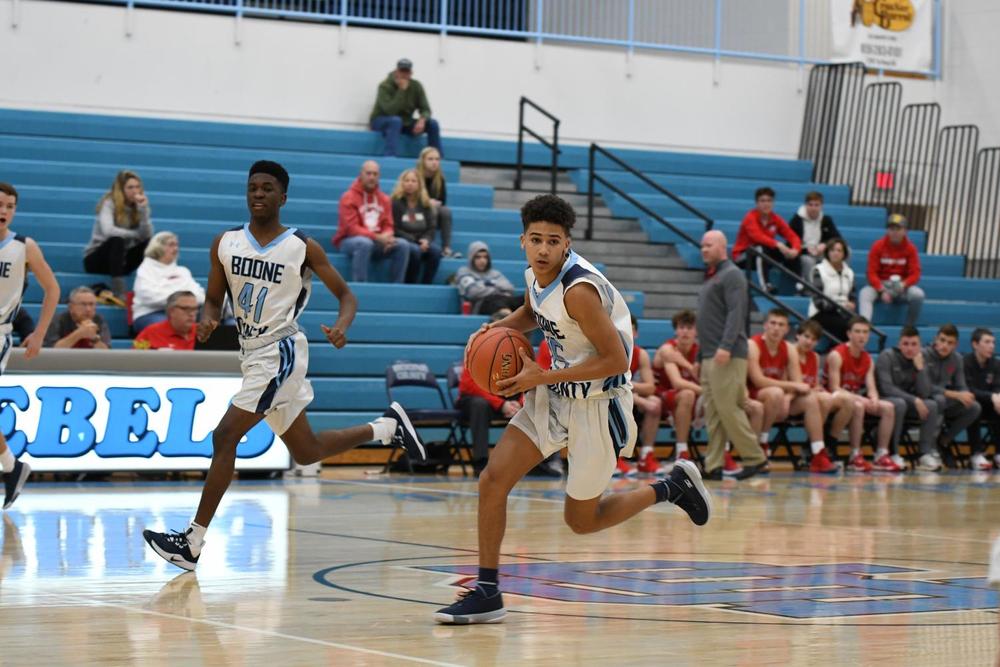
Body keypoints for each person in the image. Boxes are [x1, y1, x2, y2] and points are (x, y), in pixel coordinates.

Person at [433, 195, 712, 625]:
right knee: (492, 480)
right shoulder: (534, 274)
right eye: (536, 240)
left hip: (599, 406)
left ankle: (670, 487)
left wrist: (538, 377)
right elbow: (532, 310)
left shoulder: (578, 290)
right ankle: (487, 590)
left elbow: (618, 359)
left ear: (567, 244)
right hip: (557, 394)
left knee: (582, 521)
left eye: (553, 241)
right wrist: (498, 328)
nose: (544, 250)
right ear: (522, 241)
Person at [143, 161, 426, 571]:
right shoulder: (225, 243)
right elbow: (213, 298)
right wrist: (207, 317)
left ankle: (193, 541)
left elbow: (347, 296)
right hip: (251, 352)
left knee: (224, 437)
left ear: (283, 197)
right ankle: (387, 428)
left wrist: (343, 327)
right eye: (253, 187)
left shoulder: (302, 246)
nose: (258, 194)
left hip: (280, 351)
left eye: (267, 188)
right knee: (306, 451)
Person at [0, 182, 60, 510]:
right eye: (0, 203)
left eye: (10, 206)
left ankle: (12, 467)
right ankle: (12, 467)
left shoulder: (24, 246)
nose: (4, 210)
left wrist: (38, 332)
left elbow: (53, 289)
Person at [696, 230, 768, 481]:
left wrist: (726, 346)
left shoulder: (732, 274)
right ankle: (713, 464)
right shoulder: (713, 276)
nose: (703, 249)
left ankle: (755, 457)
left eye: (708, 245)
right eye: (702, 246)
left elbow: (737, 313)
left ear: (722, 247)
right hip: (709, 354)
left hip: (725, 353)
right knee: (714, 412)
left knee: (728, 408)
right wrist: (700, 357)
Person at [747, 309, 839, 474]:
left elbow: (798, 383)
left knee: (810, 399)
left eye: (781, 325)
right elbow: (758, 380)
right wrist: (790, 389)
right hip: (755, 396)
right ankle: (763, 442)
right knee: (775, 392)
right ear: (765, 325)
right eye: (773, 323)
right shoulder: (753, 344)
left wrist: (789, 396)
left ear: (787, 329)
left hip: (779, 400)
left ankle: (818, 453)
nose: (776, 328)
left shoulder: (788, 348)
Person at [826, 316, 906, 473]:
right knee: (858, 405)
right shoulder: (837, 354)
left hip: (855, 398)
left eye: (865, 332)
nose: (861, 336)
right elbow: (834, 388)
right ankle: (854, 455)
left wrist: (874, 398)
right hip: (835, 400)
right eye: (857, 332)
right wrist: (862, 399)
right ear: (849, 334)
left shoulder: (868, 359)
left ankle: (881, 454)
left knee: (888, 407)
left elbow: (871, 387)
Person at [876, 326, 941, 472]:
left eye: (914, 344)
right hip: (885, 400)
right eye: (905, 344)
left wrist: (920, 370)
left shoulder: (919, 359)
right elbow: (886, 388)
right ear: (899, 344)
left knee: (931, 405)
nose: (909, 348)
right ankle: (893, 453)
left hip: (907, 402)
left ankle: (924, 454)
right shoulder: (887, 356)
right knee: (899, 404)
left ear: (919, 346)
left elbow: (924, 393)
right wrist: (914, 400)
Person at [332, 161, 408, 283]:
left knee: (402, 245)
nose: (372, 177)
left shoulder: (384, 199)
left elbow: (389, 224)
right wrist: (378, 237)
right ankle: (361, 287)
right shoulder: (348, 197)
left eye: (375, 174)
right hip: (348, 241)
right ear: (361, 174)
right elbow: (352, 228)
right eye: (368, 173)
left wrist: (387, 237)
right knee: (364, 243)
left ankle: (396, 287)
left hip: (377, 242)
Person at [84, 170, 154, 301]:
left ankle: (152, 286)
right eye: (130, 187)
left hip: (122, 262)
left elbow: (146, 235)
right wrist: (134, 234)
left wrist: (143, 210)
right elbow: (108, 231)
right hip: (97, 260)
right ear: (121, 189)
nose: (135, 191)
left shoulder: (139, 207)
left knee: (151, 243)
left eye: (137, 187)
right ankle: (119, 290)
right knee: (117, 240)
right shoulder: (109, 203)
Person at [795, 319, 857, 464]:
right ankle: (813, 447)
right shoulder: (790, 353)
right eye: (806, 336)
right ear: (797, 336)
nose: (809, 342)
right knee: (824, 399)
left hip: (811, 396)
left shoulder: (815, 357)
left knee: (847, 400)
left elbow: (814, 384)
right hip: (794, 399)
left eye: (814, 339)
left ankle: (829, 445)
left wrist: (817, 388)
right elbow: (794, 385)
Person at [924, 324, 981, 469]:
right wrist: (954, 394)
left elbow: (961, 386)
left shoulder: (957, 359)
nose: (944, 345)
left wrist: (966, 394)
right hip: (925, 399)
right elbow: (925, 386)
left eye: (949, 343)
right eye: (942, 340)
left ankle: (943, 441)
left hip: (943, 401)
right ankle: (930, 447)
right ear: (936, 339)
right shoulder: (923, 354)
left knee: (974, 407)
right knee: (939, 400)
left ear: (955, 345)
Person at [616, 316, 663, 476]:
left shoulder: (640, 354)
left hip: (630, 398)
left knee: (655, 402)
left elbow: (650, 387)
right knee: (615, 399)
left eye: (631, 329)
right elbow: (609, 386)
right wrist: (638, 397)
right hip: (610, 399)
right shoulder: (609, 352)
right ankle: (616, 457)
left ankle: (646, 456)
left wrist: (626, 385)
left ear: (635, 334)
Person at [132, 231, 206, 333]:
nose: (176, 249)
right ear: (158, 247)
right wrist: (181, 298)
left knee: (210, 319)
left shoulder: (183, 271)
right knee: (170, 324)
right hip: (150, 313)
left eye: (176, 245)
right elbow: (150, 296)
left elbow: (200, 295)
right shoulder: (145, 269)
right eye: (171, 245)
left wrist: (178, 300)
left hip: (185, 312)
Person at [859, 213, 924, 327]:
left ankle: (908, 328)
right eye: (891, 229)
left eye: (898, 229)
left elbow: (915, 273)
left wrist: (904, 284)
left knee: (918, 295)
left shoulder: (911, 249)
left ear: (905, 231)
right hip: (881, 284)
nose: (894, 232)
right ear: (887, 230)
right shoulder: (877, 246)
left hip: (902, 286)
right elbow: (871, 273)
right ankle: (864, 328)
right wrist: (881, 290)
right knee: (864, 294)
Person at [732, 187, 801, 293]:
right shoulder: (750, 217)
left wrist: (795, 249)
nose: (766, 204)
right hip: (743, 257)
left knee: (789, 249)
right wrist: (778, 244)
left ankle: (799, 285)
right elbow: (757, 237)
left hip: (763, 257)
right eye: (762, 201)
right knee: (760, 248)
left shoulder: (775, 218)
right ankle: (766, 286)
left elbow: (793, 236)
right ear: (757, 203)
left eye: (769, 201)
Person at [370, 58, 441, 158]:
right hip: (381, 121)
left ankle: (436, 157)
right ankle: (390, 156)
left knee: (433, 124)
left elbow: (426, 109)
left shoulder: (416, 86)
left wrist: (422, 119)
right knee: (395, 121)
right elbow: (390, 111)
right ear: (396, 71)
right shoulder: (384, 86)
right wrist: (401, 90)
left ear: (411, 73)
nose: (404, 74)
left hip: (403, 123)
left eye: (406, 71)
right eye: (401, 71)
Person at [390, 168, 441, 284]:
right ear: (402, 183)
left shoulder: (425, 203)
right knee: (415, 251)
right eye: (407, 181)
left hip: (422, 240)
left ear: (419, 184)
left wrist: (426, 240)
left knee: (436, 252)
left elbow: (431, 227)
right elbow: (395, 228)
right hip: (405, 239)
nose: (410, 184)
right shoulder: (395, 202)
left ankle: (426, 284)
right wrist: (416, 241)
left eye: (413, 181)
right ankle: (410, 284)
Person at [964, 328, 1000, 470]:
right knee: (974, 407)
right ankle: (976, 454)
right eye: (987, 342)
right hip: (971, 405)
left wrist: (997, 397)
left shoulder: (996, 364)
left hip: (990, 405)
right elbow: (968, 389)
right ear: (975, 344)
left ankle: (998, 454)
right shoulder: (965, 362)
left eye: (993, 342)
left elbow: (998, 386)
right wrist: (992, 396)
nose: (991, 346)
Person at [808, 238, 856, 343]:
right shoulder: (819, 270)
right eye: (832, 250)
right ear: (827, 252)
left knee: (858, 326)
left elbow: (852, 295)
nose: (836, 253)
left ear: (844, 254)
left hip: (843, 313)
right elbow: (818, 301)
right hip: (821, 313)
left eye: (839, 250)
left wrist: (852, 303)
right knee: (846, 327)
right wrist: (839, 306)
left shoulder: (850, 273)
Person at [455, 242, 522, 316]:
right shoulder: (464, 271)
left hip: (504, 300)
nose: (482, 260)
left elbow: (510, 288)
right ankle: (504, 315)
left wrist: (488, 284)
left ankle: (506, 313)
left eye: (485, 257)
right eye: (478, 257)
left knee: (526, 299)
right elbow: (473, 291)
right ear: (471, 258)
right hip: (481, 305)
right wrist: (497, 287)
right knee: (494, 299)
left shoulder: (495, 273)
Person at [789, 191, 841, 282]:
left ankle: (839, 283)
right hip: (804, 252)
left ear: (821, 206)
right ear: (806, 205)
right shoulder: (796, 220)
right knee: (808, 261)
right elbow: (790, 242)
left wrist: (825, 245)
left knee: (846, 251)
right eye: (810, 205)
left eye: (816, 205)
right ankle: (811, 290)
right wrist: (806, 250)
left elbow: (837, 238)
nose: (813, 208)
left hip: (821, 252)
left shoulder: (826, 219)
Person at [415, 147, 457, 258]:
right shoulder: (415, 177)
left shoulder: (440, 179)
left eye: (437, 159)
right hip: (417, 213)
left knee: (446, 211)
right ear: (423, 160)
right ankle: (428, 243)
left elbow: (442, 201)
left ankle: (446, 248)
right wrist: (427, 202)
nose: (434, 162)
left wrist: (434, 203)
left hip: (434, 212)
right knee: (432, 209)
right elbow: (411, 201)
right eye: (430, 159)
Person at [44, 286, 111, 349]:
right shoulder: (58, 320)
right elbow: (52, 350)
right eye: (83, 304)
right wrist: (79, 334)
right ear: (71, 307)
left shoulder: (98, 320)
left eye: (91, 304)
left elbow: (107, 353)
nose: (88, 309)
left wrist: (94, 338)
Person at [133, 291, 199, 351]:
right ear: (171, 311)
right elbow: (135, 359)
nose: (192, 314)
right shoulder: (150, 333)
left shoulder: (204, 333)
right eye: (186, 309)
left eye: (195, 309)